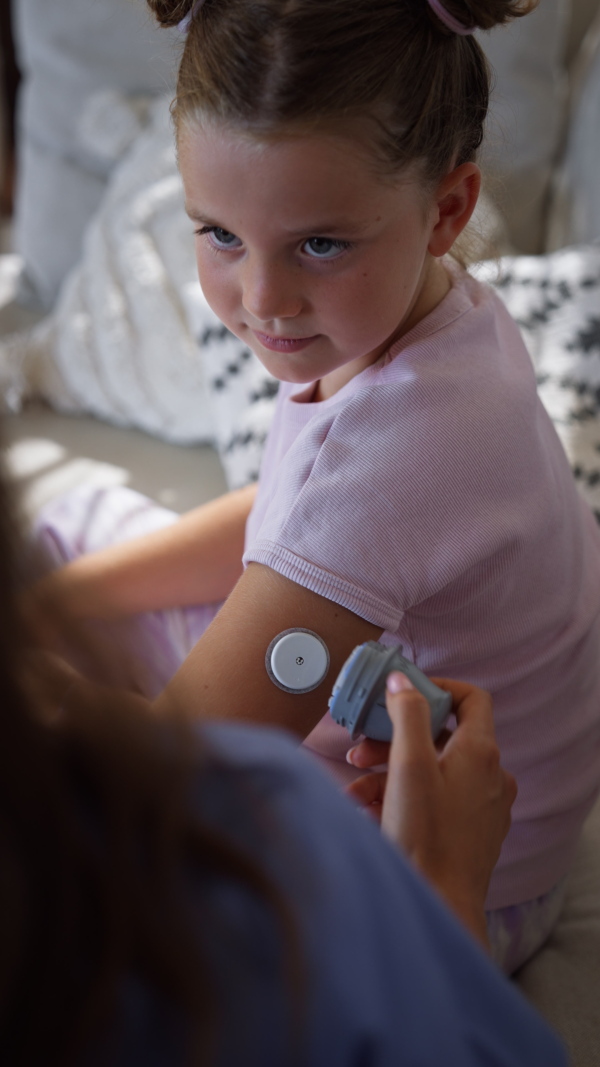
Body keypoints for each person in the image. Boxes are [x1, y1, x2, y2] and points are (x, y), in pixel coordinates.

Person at [29, 0, 600, 974]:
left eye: (320, 245)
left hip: (447, 873)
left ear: (448, 208)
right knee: (56, 538)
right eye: (217, 233)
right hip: (446, 755)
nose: (261, 301)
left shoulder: (395, 455)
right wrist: (55, 603)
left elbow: (182, 764)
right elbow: (290, 520)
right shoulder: (443, 314)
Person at [0, 463, 568, 1065]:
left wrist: (44, 621)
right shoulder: (262, 816)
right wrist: (448, 884)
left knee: (71, 527)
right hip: (453, 900)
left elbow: (302, 518)